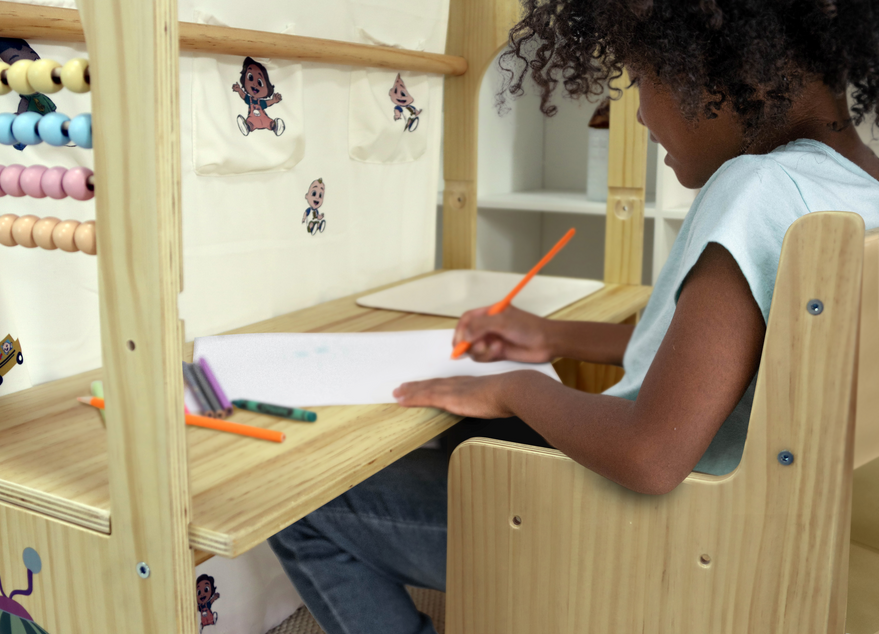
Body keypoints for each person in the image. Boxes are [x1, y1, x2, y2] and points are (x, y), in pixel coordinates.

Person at [268, 2, 879, 633]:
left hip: (682, 534)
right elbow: (744, 360)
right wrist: (553, 336)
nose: (638, 113)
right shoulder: (858, 184)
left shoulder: (759, 188)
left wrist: (512, 384)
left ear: (717, 71)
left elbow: (650, 454)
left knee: (301, 505)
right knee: (465, 442)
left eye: (643, 80)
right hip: (774, 522)